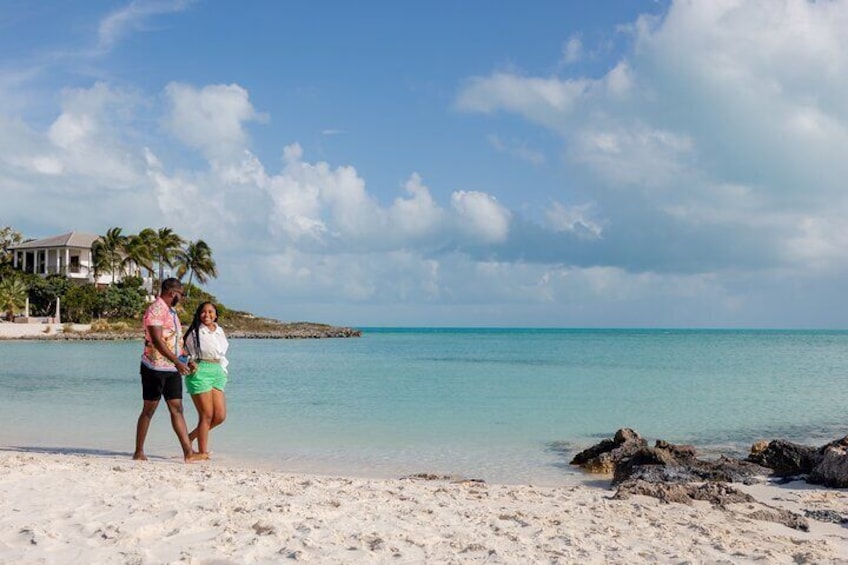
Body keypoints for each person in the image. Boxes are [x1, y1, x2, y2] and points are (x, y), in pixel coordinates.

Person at [133, 278, 206, 462]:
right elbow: (157, 341)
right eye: (180, 294)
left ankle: (188, 453)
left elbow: (174, 342)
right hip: (154, 368)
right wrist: (177, 362)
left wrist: (185, 360)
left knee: (177, 408)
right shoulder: (156, 310)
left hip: (172, 368)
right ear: (173, 293)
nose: (181, 298)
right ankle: (139, 452)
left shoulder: (171, 312)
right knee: (149, 410)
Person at [183, 301, 229, 456]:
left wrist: (222, 370)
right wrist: (189, 362)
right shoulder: (195, 332)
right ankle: (202, 453)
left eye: (210, 312)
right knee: (206, 415)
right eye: (203, 312)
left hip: (217, 371)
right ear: (198, 314)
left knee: (220, 416)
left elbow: (222, 352)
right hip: (200, 371)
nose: (207, 315)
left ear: (216, 315)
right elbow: (182, 351)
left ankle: (189, 437)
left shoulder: (219, 331)